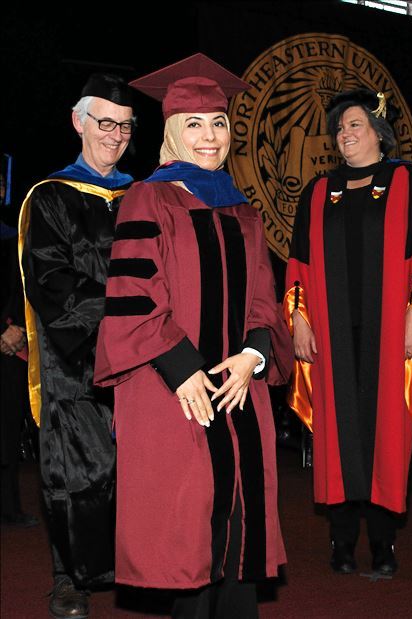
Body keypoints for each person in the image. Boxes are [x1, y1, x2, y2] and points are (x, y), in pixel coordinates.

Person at [94, 53, 294, 619]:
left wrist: (252, 356)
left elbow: (264, 299)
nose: (209, 136)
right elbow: (134, 295)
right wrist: (186, 371)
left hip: (235, 389)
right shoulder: (148, 198)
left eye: (219, 123)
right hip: (171, 388)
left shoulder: (244, 211)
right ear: (173, 133)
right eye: (194, 124)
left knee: (238, 527)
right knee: (187, 534)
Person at [284, 87, 412, 577]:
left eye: (355, 125)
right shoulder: (319, 191)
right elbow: (297, 263)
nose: (345, 134)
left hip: (390, 331)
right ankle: (342, 542)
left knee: (386, 430)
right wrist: (298, 318)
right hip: (332, 332)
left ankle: (384, 545)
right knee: (338, 433)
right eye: (340, 128)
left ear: (378, 133)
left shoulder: (406, 181)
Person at [18, 73, 135, 619]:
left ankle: (142, 566)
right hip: (76, 362)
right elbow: (52, 283)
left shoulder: (144, 196)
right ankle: (68, 580)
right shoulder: (49, 197)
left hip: (142, 360)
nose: (115, 135)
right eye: (104, 122)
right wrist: (129, 317)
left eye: (125, 126)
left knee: (139, 470)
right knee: (75, 473)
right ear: (78, 122)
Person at [1, 161, 39, 528]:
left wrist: (14, 332)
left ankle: (9, 508)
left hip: (11, 345)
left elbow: (23, 290)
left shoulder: (15, 239)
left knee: (8, 430)